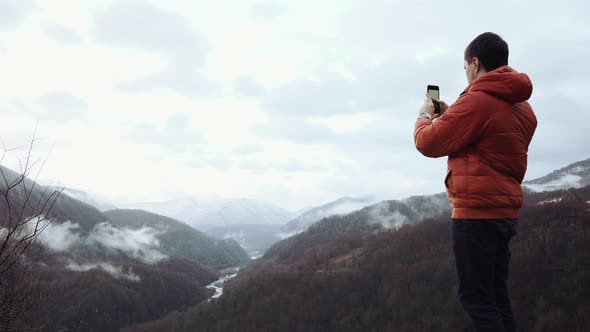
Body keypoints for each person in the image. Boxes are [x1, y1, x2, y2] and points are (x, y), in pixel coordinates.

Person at [413, 32, 537, 332]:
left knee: (477, 301)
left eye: (465, 65)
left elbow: (427, 142)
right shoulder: (523, 107)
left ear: (476, 63)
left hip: (475, 214)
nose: (466, 72)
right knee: (496, 297)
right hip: (505, 212)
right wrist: (451, 113)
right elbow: (486, 136)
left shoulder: (479, 101)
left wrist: (424, 115)